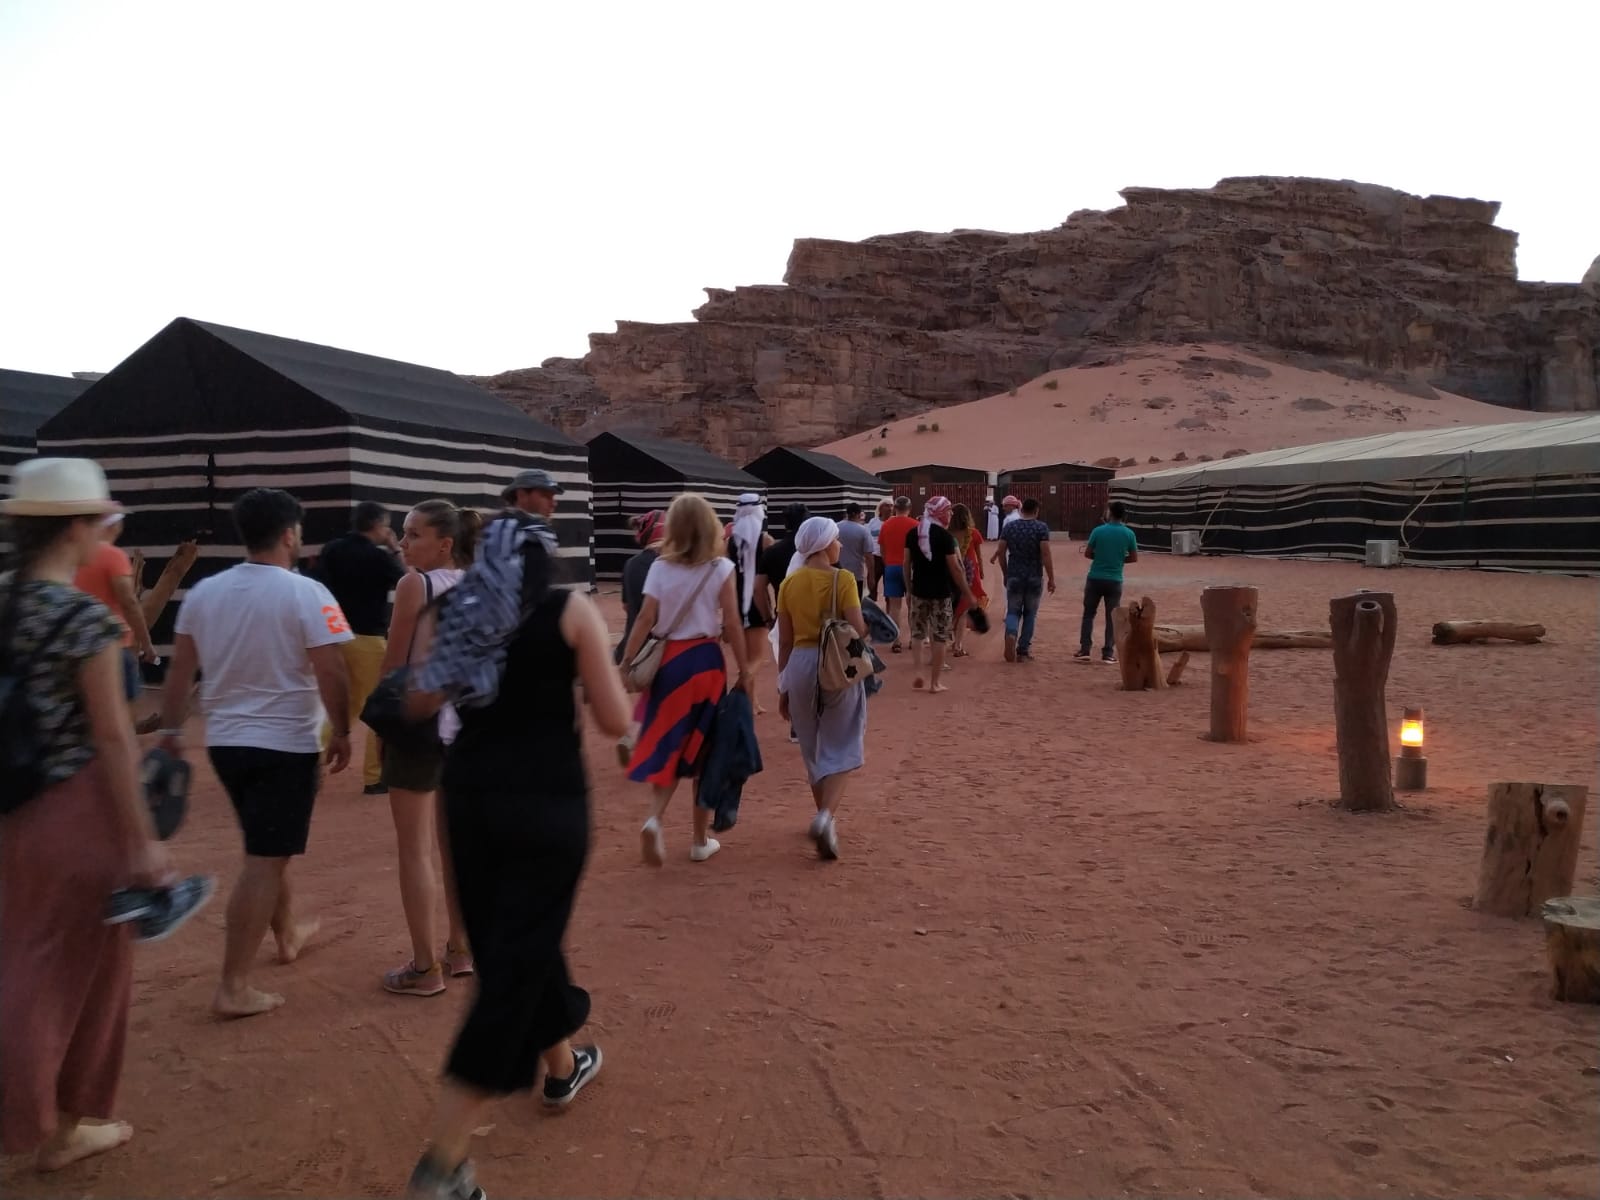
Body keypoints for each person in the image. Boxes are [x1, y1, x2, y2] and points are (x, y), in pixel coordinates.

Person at [402, 516, 631, 1200]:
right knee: (511, 967)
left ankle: (561, 1066)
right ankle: (443, 1163)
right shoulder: (569, 609)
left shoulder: (447, 612)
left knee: (515, 946)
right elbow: (613, 718)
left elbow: (419, 701)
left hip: (470, 801)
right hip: (547, 805)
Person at [0, 457, 205, 1172]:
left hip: (13, 805)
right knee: (78, 970)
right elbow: (114, 738)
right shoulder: (81, 618)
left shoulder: (4, 601)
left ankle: (47, 1118)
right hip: (75, 806)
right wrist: (142, 842)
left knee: (25, 948)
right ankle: (52, 1126)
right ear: (76, 528)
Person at [158, 488, 354, 1018]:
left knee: (266, 845)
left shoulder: (204, 592)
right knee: (264, 860)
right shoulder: (308, 592)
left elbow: (180, 673)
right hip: (285, 744)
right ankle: (233, 985)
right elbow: (331, 669)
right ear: (290, 534)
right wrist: (342, 729)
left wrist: (170, 731)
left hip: (225, 743)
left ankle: (286, 933)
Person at [379, 501, 482, 998]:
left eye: (413, 534)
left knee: (414, 848)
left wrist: (382, 726)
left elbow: (394, 665)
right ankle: (461, 948)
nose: (403, 543)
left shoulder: (415, 586)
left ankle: (424, 968)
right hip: (468, 727)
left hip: (420, 726)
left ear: (444, 544)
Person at [622, 494, 752, 866]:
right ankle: (698, 839)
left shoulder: (660, 567)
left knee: (669, 741)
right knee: (705, 749)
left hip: (670, 661)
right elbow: (732, 623)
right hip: (706, 662)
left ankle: (654, 818)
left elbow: (645, 618)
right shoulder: (721, 568)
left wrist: (627, 661)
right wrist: (745, 670)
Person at [775, 516, 869, 859]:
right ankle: (826, 816)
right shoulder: (843, 579)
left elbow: (785, 641)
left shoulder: (789, 584)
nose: (839, 544)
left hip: (799, 664)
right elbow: (857, 627)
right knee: (843, 740)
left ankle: (823, 819)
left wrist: (783, 685)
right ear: (826, 544)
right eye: (836, 539)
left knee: (811, 746)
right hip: (836, 663)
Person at [315, 501, 404, 794]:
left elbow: (318, 586)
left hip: (334, 634)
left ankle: (312, 759)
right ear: (378, 525)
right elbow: (405, 580)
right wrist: (394, 549)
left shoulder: (332, 550)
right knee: (379, 704)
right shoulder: (378, 556)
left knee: (349, 702)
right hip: (368, 637)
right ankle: (375, 775)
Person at [72, 512, 157, 704]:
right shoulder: (113, 556)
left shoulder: (76, 556)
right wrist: (146, 643)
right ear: (114, 526)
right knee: (125, 709)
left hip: (80, 645)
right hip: (113, 646)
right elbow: (129, 603)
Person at [900, 496, 975, 693]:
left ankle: (918, 671)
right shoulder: (945, 537)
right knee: (940, 636)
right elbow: (956, 569)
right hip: (941, 593)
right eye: (948, 511)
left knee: (918, 633)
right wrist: (967, 592)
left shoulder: (913, 534)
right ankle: (934, 683)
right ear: (940, 513)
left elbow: (906, 564)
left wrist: (908, 589)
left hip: (918, 591)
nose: (950, 514)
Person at [994, 497, 1056, 663]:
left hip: (1014, 574)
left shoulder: (1009, 527)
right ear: (1036, 511)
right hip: (1034, 575)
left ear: (1021, 510)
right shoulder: (1041, 528)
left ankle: (1011, 633)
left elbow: (1001, 552)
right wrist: (1051, 578)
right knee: (1030, 614)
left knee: (1013, 611)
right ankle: (1023, 651)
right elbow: (1045, 554)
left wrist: (1006, 573)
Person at [1078, 500, 1139, 664]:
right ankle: (1108, 653)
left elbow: (1088, 553)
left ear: (1109, 513)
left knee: (1088, 614)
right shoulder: (1129, 534)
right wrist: (1117, 560)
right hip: (1114, 579)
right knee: (1112, 617)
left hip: (1095, 577)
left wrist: (1100, 558)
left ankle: (1085, 649)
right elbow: (1134, 557)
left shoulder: (1098, 531)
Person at [728, 493, 773, 715]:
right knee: (757, 658)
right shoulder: (765, 540)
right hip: (756, 600)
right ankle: (735, 694)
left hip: (734, 599)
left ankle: (751, 702)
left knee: (745, 657)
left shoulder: (730, 541)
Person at [876, 497, 919, 653]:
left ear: (895, 508)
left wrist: (887, 562)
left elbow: (882, 549)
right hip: (911, 567)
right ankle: (914, 639)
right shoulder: (915, 525)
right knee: (912, 604)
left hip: (892, 566)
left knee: (895, 606)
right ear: (909, 508)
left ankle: (896, 640)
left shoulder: (886, 525)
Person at [948, 503, 987, 659]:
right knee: (964, 610)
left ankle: (952, 640)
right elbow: (978, 555)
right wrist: (982, 571)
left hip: (951, 572)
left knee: (952, 607)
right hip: (970, 573)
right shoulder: (973, 533)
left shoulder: (947, 533)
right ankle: (958, 645)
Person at [836, 503, 876, 599]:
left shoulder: (835, 527)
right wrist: (871, 576)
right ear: (859, 514)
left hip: (837, 573)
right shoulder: (863, 531)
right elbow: (868, 556)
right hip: (856, 574)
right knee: (855, 602)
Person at [866, 500, 892, 602]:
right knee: (871, 586)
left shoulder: (893, 522)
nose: (890, 508)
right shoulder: (873, 522)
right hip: (875, 558)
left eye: (891, 506)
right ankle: (871, 608)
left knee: (890, 590)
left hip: (889, 559)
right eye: (887, 505)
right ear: (880, 508)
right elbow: (867, 539)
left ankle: (889, 610)